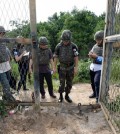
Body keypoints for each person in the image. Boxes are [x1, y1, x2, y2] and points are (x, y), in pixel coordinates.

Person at [54, 30, 79, 103]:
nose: (65, 42)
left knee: (69, 83)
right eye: (64, 40)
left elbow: (76, 57)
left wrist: (76, 67)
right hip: (62, 67)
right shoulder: (58, 46)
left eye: (67, 40)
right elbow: (55, 57)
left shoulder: (73, 46)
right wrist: (54, 67)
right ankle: (61, 96)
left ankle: (67, 95)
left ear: (70, 39)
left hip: (70, 67)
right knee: (62, 83)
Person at [88, 30, 104, 103]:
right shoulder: (95, 46)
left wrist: (96, 57)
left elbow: (105, 59)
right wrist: (90, 54)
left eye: (99, 40)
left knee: (97, 82)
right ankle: (94, 93)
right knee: (92, 82)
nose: (97, 41)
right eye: (96, 40)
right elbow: (91, 51)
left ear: (103, 39)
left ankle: (98, 98)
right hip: (93, 66)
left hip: (100, 67)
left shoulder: (106, 47)